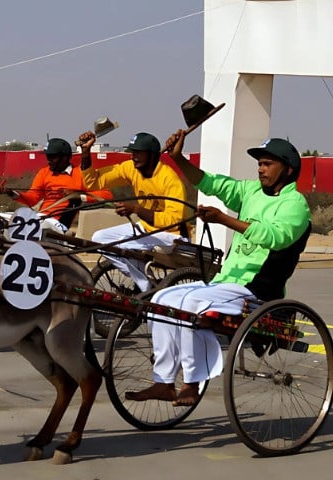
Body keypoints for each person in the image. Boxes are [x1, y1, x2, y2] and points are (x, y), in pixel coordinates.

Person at [125, 131, 311, 406]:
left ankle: (191, 382)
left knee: (190, 306)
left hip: (256, 290)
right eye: (259, 163)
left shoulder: (295, 205)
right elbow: (212, 183)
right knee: (162, 299)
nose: (260, 169)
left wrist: (224, 219)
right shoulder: (251, 191)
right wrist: (177, 159)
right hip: (226, 282)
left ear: (288, 169)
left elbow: (275, 237)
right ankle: (164, 382)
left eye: (267, 163)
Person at [79, 131, 189, 292]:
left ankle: (145, 287)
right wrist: (86, 152)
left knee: (122, 244)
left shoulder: (169, 179)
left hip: (172, 235)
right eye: (132, 152)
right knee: (99, 239)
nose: (133, 156)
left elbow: (173, 221)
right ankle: (145, 281)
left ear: (151, 155)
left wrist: (136, 209)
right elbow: (94, 181)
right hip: (146, 229)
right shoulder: (130, 168)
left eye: (138, 152)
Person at [0, 137, 113, 233]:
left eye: (52, 157)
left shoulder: (80, 174)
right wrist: (10, 193)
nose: (49, 160)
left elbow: (107, 195)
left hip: (58, 224)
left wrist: (79, 195)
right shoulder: (44, 172)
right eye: (48, 157)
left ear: (65, 157)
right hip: (41, 218)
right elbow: (32, 199)